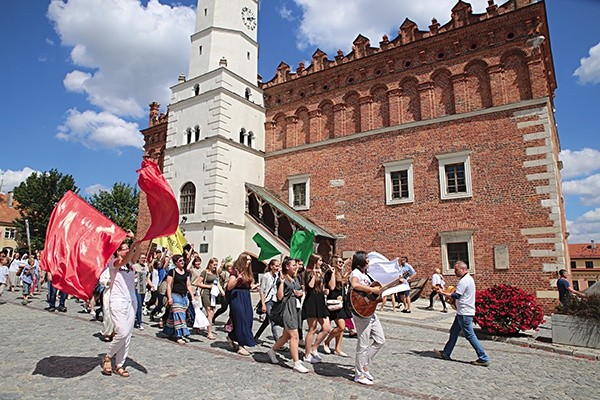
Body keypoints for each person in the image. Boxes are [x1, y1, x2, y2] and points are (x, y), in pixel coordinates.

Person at [434, 261, 491, 367]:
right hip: (462, 312)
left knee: (470, 335)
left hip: (465, 313)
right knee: (454, 332)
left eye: (456, 270)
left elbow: (457, 295)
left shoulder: (464, 281)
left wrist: (443, 293)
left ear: (463, 269)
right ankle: (446, 353)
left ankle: (483, 357)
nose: (455, 272)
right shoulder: (467, 279)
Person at [102, 233, 142, 377]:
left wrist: (134, 240)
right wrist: (131, 245)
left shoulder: (130, 263)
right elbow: (123, 261)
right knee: (122, 332)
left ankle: (119, 364)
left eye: (127, 249)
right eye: (123, 249)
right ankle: (108, 357)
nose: (126, 251)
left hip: (131, 300)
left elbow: (138, 251)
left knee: (128, 335)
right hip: (118, 300)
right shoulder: (113, 263)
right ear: (117, 251)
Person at [265, 257, 309, 373]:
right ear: (287, 267)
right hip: (286, 309)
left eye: (296, 265)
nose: (296, 267)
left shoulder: (294, 278)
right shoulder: (282, 278)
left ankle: (272, 351)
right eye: (294, 265)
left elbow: (296, 290)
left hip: (293, 307)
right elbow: (279, 297)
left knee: (286, 335)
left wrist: (299, 293)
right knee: (294, 335)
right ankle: (296, 362)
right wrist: (282, 283)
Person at [349, 251, 386, 385]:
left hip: (371, 311)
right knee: (363, 344)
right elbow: (355, 285)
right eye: (367, 259)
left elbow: (373, 292)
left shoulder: (367, 275)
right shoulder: (356, 273)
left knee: (380, 340)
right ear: (361, 261)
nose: (369, 261)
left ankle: (364, 364)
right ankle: (359, 374)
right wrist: (371, 290)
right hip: (361, 312)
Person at [302, 254, 331, 363]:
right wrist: (314, 275)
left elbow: (321, 286)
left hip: (320, 300)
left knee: (326, 327)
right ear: (314, 261)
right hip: (311, 301)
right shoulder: (308, 272)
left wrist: (325, 290)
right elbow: (310, 286)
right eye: (319, 260)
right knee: (312, 329)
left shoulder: (320, 271)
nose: (321, 262)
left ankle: (314, 348)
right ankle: (307, 354)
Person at [226, 252, 256, 356]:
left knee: (248, 318)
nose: (249, 262)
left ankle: (232, 336)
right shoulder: (235, 272)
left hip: (246, 297)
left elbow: (247, 286)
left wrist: (254, 287)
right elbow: (229, 286)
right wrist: (237, 279)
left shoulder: (248, 272)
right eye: (247, 260)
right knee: (241, 319)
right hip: (236, 297)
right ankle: (241, 345)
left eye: (250, 260)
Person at [163, 254, 196, 344]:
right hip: (175, 295)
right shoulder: (171, 272)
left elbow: (188, 285)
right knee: (179, 315)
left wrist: (192, 297)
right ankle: (179, 335)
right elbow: (169, 285)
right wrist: (170, 297)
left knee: (176, 315)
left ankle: (168, 331)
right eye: (180, 261)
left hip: (184, 296)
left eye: (183, 260)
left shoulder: (186, 272)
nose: (182, 262)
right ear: (175, 263)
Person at [323, 255, 351, 356]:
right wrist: (334, 273)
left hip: (342, 302)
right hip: (333, 302)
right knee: (341, 326)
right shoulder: (330, 273)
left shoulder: (341, 272)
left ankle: (337, 349)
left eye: (342, 262)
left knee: (342, 327)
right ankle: (327, 341)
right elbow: (332, 286)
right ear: (334, 263)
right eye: (339, 262)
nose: (341, 264)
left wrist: (345, 279)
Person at [254, 259, 283, 343]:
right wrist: (263, 304)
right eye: (276, 266)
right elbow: (262, 291)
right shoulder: (266, 276)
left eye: (279, 266)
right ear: (271, 266)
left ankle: (256, 336)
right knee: (273, 320)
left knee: (267, 321)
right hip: (268, 300)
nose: (278, 268)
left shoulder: (278, 276)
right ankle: (278, 342)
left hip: (275, 300)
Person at [195, 257, 224, 339]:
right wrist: (208, 286)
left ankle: (200, 323)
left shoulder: (215, 274)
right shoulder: (205, 272)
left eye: (216, 265)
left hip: (213, 294)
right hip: (205, 293)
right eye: (214, 265)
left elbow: (217, 283)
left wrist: (222, 292)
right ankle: (209, 332)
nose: (215, 266)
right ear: (210, 264)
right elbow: (198, 283)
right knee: (210, 312)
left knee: (211, 312)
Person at [132, 254, 149, 330]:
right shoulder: (135, 266)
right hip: (136, 288)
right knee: (138, 305)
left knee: (140, 304)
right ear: (138, 259)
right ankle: (139, 322)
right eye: (142, 258)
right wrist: (136, 276)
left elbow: (147, 277)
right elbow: (131, 276)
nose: (144, 259)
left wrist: (151, 285)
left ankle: (135, 318)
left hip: (143, 288)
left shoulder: (146, 267)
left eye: (144, 258)